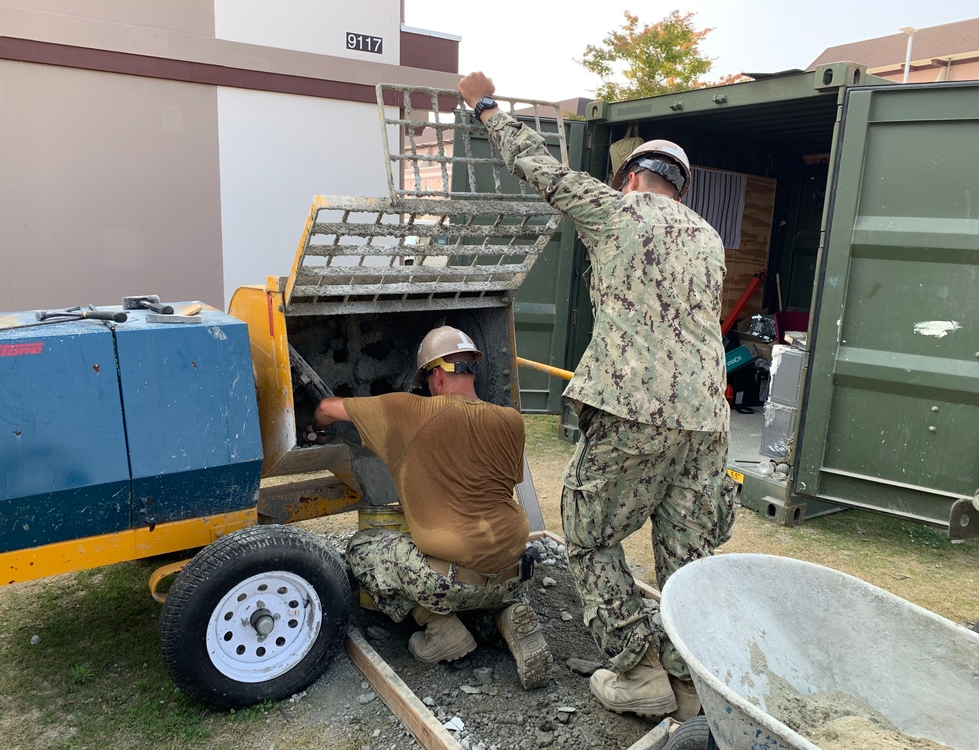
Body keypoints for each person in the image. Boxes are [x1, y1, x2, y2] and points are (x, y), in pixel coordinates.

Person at [458, 72, 733, 720]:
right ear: (679, 185)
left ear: (632, 176)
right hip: (707, 421)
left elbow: (536, 167)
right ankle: (692, 686)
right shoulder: (710, 239)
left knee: (587, 531)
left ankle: (638, 670)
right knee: (687, 558)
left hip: (637, 412)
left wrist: (485, 106)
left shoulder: (614, 209)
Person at [312, 325, 552, 689]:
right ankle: (506, 618)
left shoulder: (406, 409)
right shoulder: (512, 422)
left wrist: (318, 430)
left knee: (362, 548)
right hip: (513, 567)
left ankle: (439, 627)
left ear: (436, 376)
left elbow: (327, 408)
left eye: (426, 380)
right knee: (480, 587)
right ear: (474, 370)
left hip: (448, 581)